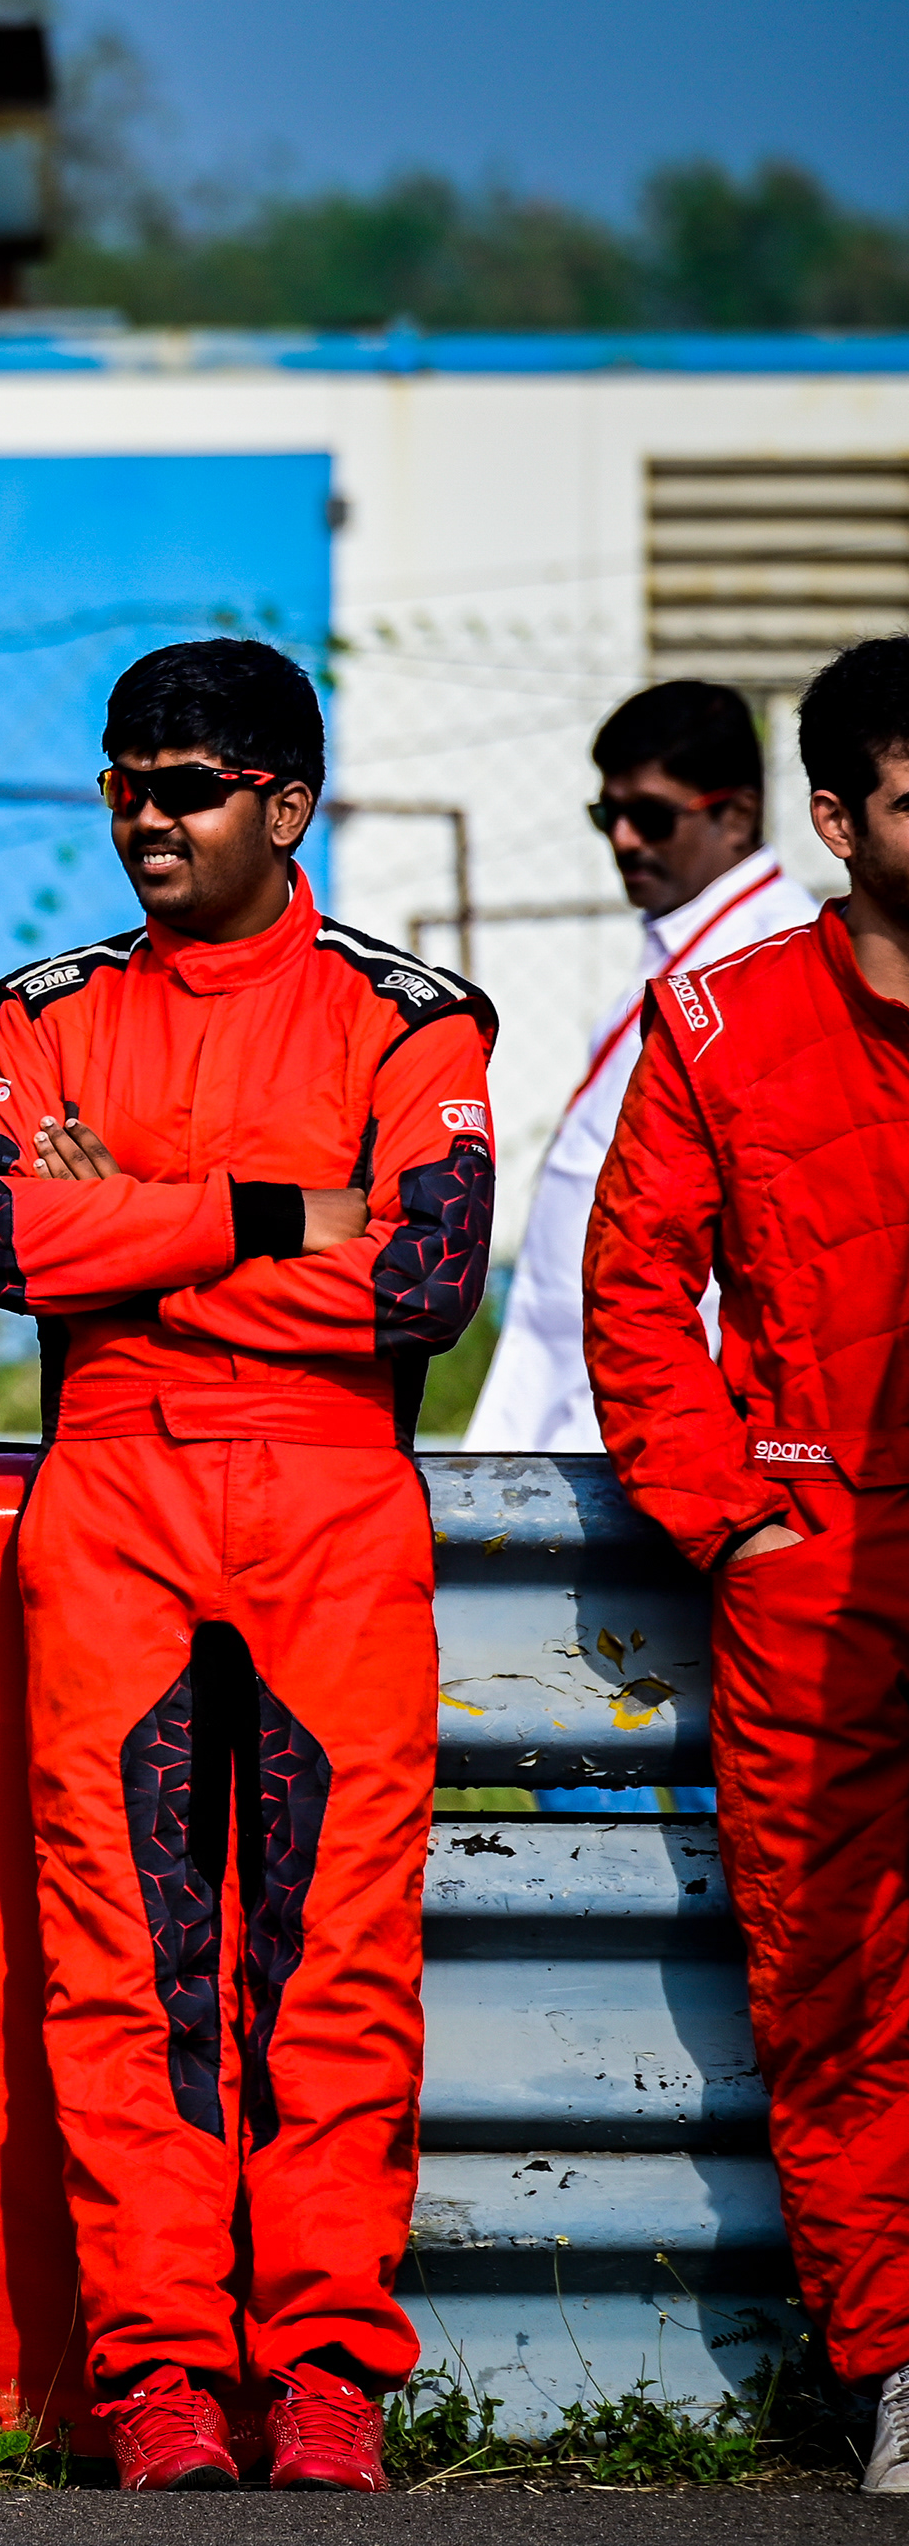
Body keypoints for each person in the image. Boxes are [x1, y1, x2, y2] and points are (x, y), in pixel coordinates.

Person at [0, 639, 494, 2493]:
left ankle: (327, 2367)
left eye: (181, 787)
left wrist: (129, 1229)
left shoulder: (413, 1015)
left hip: (336, 1508)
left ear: (286, 804)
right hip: (113, 1500)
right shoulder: (45, 1006)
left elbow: (424, 1274)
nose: (145, 818)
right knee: (125, 1962)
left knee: (332, 1958)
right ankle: (160, 2366)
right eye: (121, 783)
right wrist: (271, 1214)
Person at [583, 634, 909, 2496]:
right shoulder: (726, 1020)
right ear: (844, 821)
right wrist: (736, 1513)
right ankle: (892, 2365)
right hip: (816, 1577)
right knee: (833, 1991)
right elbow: (633, 1287)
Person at [464, 681, 815, 1452]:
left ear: (737, 814)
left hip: (675, 1391)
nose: (625, 839)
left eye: (651, 816)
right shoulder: (681, 939)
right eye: (606, 816)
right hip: (579, 1372)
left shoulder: (777, 956)